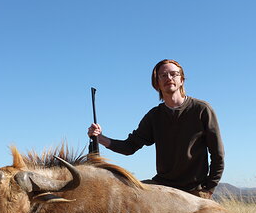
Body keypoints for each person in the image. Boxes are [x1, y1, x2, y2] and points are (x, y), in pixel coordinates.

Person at [87, 59, 224, 199]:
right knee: (122, 196)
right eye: (163, 75)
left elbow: (217, 153)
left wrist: (209, 188)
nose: (169, 78)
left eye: (173, 74)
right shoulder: (154, 116)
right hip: (162, 186)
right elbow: (129, 147)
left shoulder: (202, 110)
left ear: (181, 80)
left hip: (194, 189)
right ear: (157, 83)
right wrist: (101, 138)